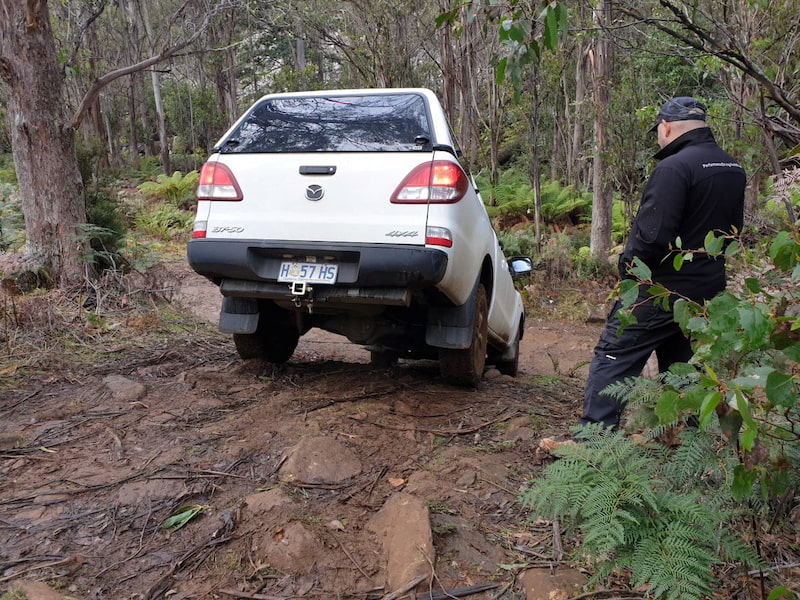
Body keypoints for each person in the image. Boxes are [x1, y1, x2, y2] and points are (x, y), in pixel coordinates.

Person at [580, 97, 746, 429]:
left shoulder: (673, 167)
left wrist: (629, 272)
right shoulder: (733, 167)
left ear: (666, 127)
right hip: (707, 291)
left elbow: (652, 236)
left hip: (658, 290)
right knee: (685, 368)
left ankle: (593, 444)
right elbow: (733, 233)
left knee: (614, 357)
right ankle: (688, 446)